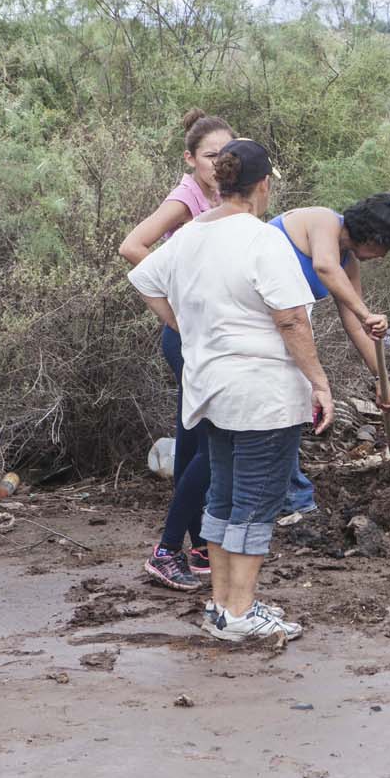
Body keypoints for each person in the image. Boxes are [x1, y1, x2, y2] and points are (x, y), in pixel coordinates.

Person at [128, 139, 332, 642]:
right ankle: (239, 612)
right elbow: (291, 320)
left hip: (210, 389)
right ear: (263, 186)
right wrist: (319, 381)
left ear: (219, 181)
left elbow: (145, 277)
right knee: (256, 501)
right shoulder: (264, 240)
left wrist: (194, 331)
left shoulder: (191, 235)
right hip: (262, 392)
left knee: (221, 495)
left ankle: (221, 607)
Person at [118, 110, 234, 591]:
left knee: (191, 440)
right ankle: (168, 551)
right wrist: (179, 299)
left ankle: (199, 548)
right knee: (211, 442)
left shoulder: (225, 196)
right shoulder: (187, 198)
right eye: (210, 157)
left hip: (206, 334)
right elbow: (132, 246)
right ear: (190, 159)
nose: (218, 165)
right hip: (188, 337)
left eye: (226, 156)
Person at [264, 195, 390, 512]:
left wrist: (382, 381)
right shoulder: (324, 220)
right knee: (284, 406)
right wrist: (367, 314)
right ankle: (294, 501)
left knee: (289, 409)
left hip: (282, 330)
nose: (383, 256)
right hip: (248, 326)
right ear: (373, 236)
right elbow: (324, 266)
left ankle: (287, 498)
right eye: (385, 248)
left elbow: (356, 326)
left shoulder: (349, 263)